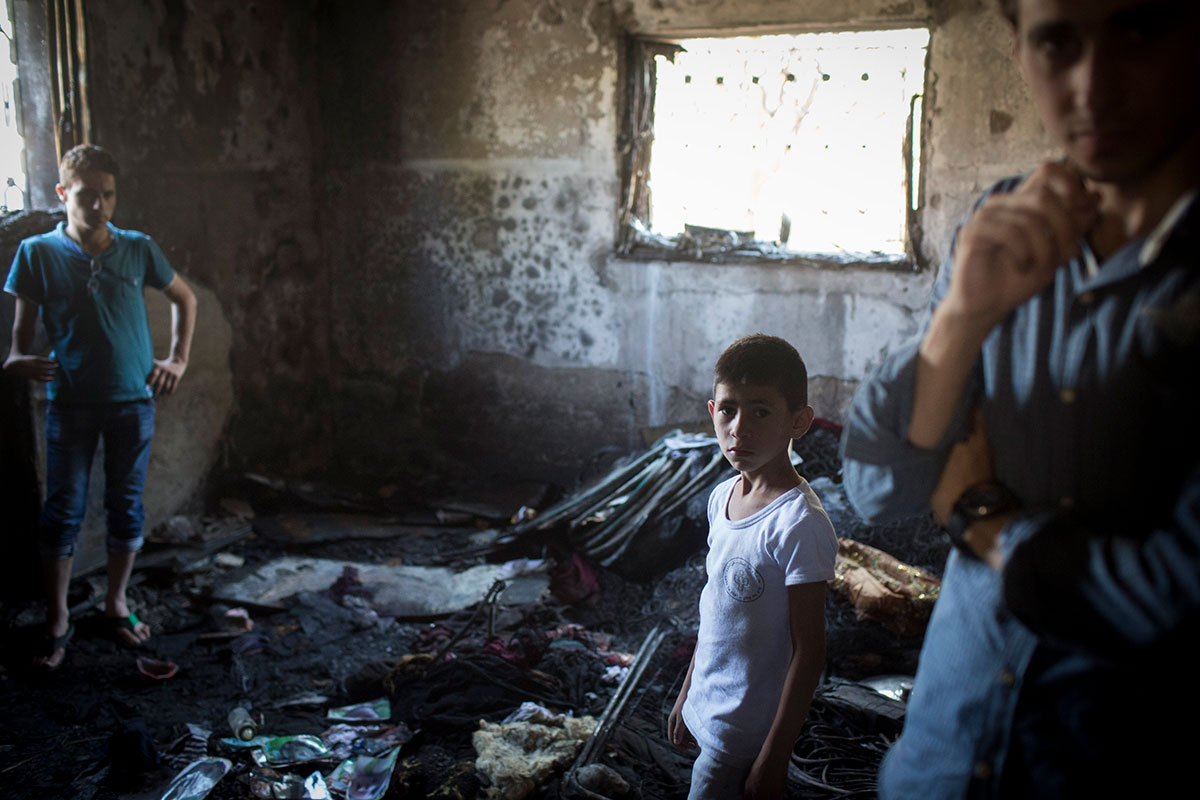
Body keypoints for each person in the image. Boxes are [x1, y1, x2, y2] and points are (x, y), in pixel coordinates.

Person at [839, 0, 1200, 796]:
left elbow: (1176, 597)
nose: (1094, 87)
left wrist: (992, 527)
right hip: (938, 758)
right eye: (1058, 40)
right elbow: (877, 488)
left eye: (1139, 26)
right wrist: (963, 318)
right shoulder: (1003, 226)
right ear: (1016, 48)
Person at [3, 143, 197, 670]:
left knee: (125, 505)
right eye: (88, 195)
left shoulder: (136, 248)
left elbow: (184, 297)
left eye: (108, 195)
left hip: (133, 402)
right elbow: (18, 344)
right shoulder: (38, 253)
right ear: (64, 193)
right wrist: (19, 361)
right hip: (71, 405)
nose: (100, 206)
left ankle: (116, 603)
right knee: (62, 510)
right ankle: (58, 617)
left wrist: (177, 359)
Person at [668, 334, 837, 799]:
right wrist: (688, 697)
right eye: (728, 409)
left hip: (743, 728)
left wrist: (774, 757)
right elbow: (714, 612)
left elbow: (809, 653)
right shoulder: (722, 497)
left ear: (799, 421)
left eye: (761, 411)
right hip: (707, 702)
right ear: (711, 413)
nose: (739, 428)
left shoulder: (799, 523)